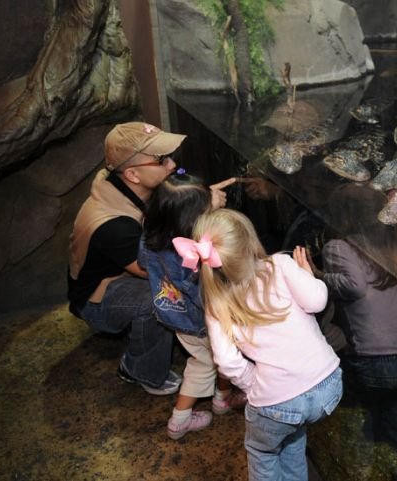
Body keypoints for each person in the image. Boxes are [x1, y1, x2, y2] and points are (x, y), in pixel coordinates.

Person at [188, 208, 342, 481]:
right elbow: (317, 302)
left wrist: (254, 383)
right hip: (329, 384)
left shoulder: (217, 303)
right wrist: (308, 275)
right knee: (293, 437)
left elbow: (226, 362)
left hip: (278, 402)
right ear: (250, 240)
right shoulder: (280, 265)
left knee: (263, 451)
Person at [317, 183, 397, 479]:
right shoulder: (388, 248)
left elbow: (354, 286)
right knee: (394, 412)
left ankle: (362, 468)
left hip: (377, 358)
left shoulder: (338, 247)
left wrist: (318, 277)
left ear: (340, 217)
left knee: (361, 412)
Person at [67, 121, 186, 395]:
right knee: (162, 296)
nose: (172, 165)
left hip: (123, 273)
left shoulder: (126, 186)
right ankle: (138, 369)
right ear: (132, 174)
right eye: (161, 159)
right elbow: (152, 270)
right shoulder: (113, 225)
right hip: (98, 298)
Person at [139, 170, 246, 440]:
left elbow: (144, 263)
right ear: (192, 220)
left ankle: (222, 399)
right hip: (201, 321)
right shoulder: (193, 258)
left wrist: (203, 199)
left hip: (175, 317)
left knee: (214, 358)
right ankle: (179, 421)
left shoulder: (152, 235)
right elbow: (204, 298)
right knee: (207, 363)